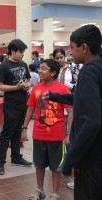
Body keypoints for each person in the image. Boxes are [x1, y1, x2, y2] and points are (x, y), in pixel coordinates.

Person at [21, 59, 73, 200]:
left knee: (56, 167)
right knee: (39, 164)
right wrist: (24, 128)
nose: (40, 71)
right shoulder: (36, 88)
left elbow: (71, 113)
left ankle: (55, 193)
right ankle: (39, 190)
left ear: (53, 72)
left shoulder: (63, 89)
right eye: (40, 68)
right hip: (39, 133)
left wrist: (70, 135)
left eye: (44, 68)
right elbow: (30, 109)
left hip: (57, 135)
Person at [61, 24, 102, 200]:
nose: (70, 52)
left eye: (72, 47)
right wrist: (57, 96)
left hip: (91, 158)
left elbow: (92, 121)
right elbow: (85, 101)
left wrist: (71, 157)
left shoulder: (88, 73)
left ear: (84, 47)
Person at [0, 39, 32, 175]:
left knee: (17, 132)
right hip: (11, 105)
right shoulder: (4, 66)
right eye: (21, 52)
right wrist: (15, 87)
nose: (23, 54)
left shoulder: (23, 64)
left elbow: (28, 79)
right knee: (7, 133)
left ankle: (16, 157)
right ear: (12, 51)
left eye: (23, 52)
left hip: (23, 103)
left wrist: (28, 84)